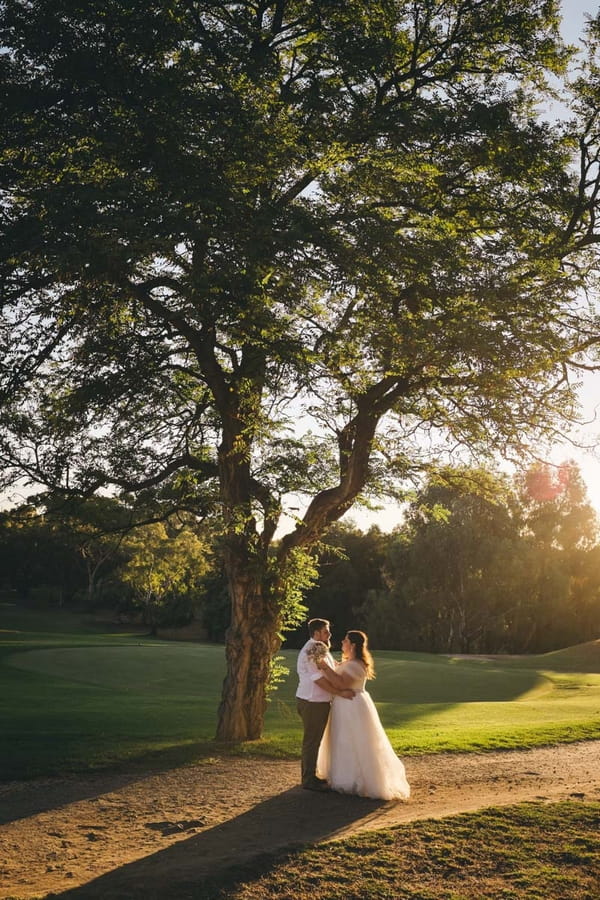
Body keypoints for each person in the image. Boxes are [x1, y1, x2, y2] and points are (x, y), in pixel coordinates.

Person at [316, 630, 410, 801]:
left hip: (352, 706)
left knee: (353, 739)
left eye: (345, 640)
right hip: (343, 705)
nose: (342, 642)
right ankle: (342, 774)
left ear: (352, 645)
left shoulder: (356, 665)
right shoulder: (350, 662)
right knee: (341, 738)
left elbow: (341, 683)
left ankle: (353, 779)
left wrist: (324, 667)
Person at [296, 618, 355, 791]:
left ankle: (310, 776)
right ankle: (308, 780)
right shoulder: (314, 648)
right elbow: (318, 679)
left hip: (315, 700)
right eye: (325, 631)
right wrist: (340, 692)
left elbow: (330, 668)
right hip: (312, 701)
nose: (329, 634)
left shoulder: (320, 648)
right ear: (316, 633)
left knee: (314, 740)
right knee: (311, 741)